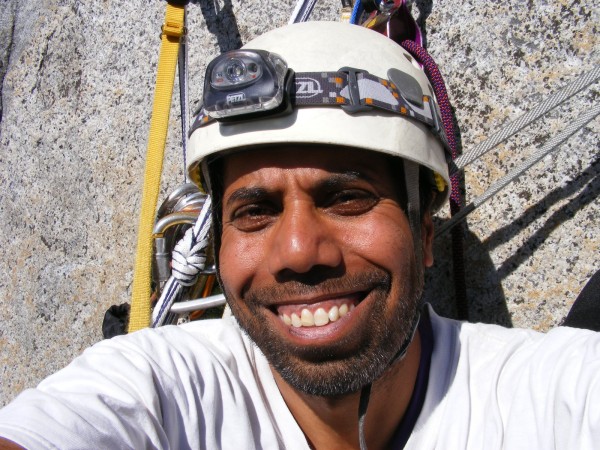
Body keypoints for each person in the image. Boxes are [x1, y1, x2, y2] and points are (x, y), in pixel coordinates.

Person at [0, 21, 598, 450]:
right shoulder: (164, 393)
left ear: (423, 233)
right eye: (255, 211)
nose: (297, 252)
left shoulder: (546, 397)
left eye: (346, 198)